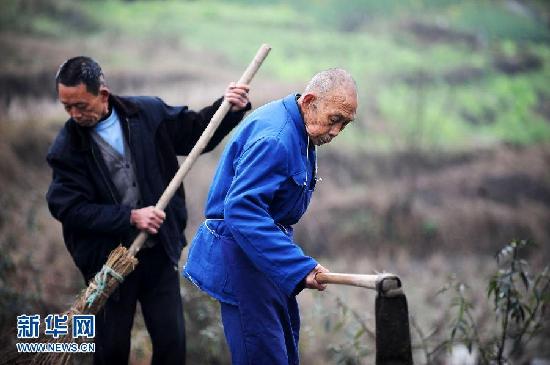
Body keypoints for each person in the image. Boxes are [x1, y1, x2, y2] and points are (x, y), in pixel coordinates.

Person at [46, 56, 251, 365]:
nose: (74, 115)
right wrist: (129, 217)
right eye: (67, 107)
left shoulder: (146, 113)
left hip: (158, 251)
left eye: (81, 106)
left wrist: (228, 108)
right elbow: (69, 208)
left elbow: (195, 132)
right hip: (109, 262)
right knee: (111, 350)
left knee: (172, 343)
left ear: (103, 94)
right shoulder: (67, 149)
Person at [183, 68, 358, 364]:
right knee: (263, 356)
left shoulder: (299, 129)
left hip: (263, 258)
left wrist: (292, 266)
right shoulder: (275, 139)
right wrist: (298, 266)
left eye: (345, 124)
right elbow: (242, 211)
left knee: (283, 352)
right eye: (334, 120)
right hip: (242, 259)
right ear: (310, 101)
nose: (336, 131)